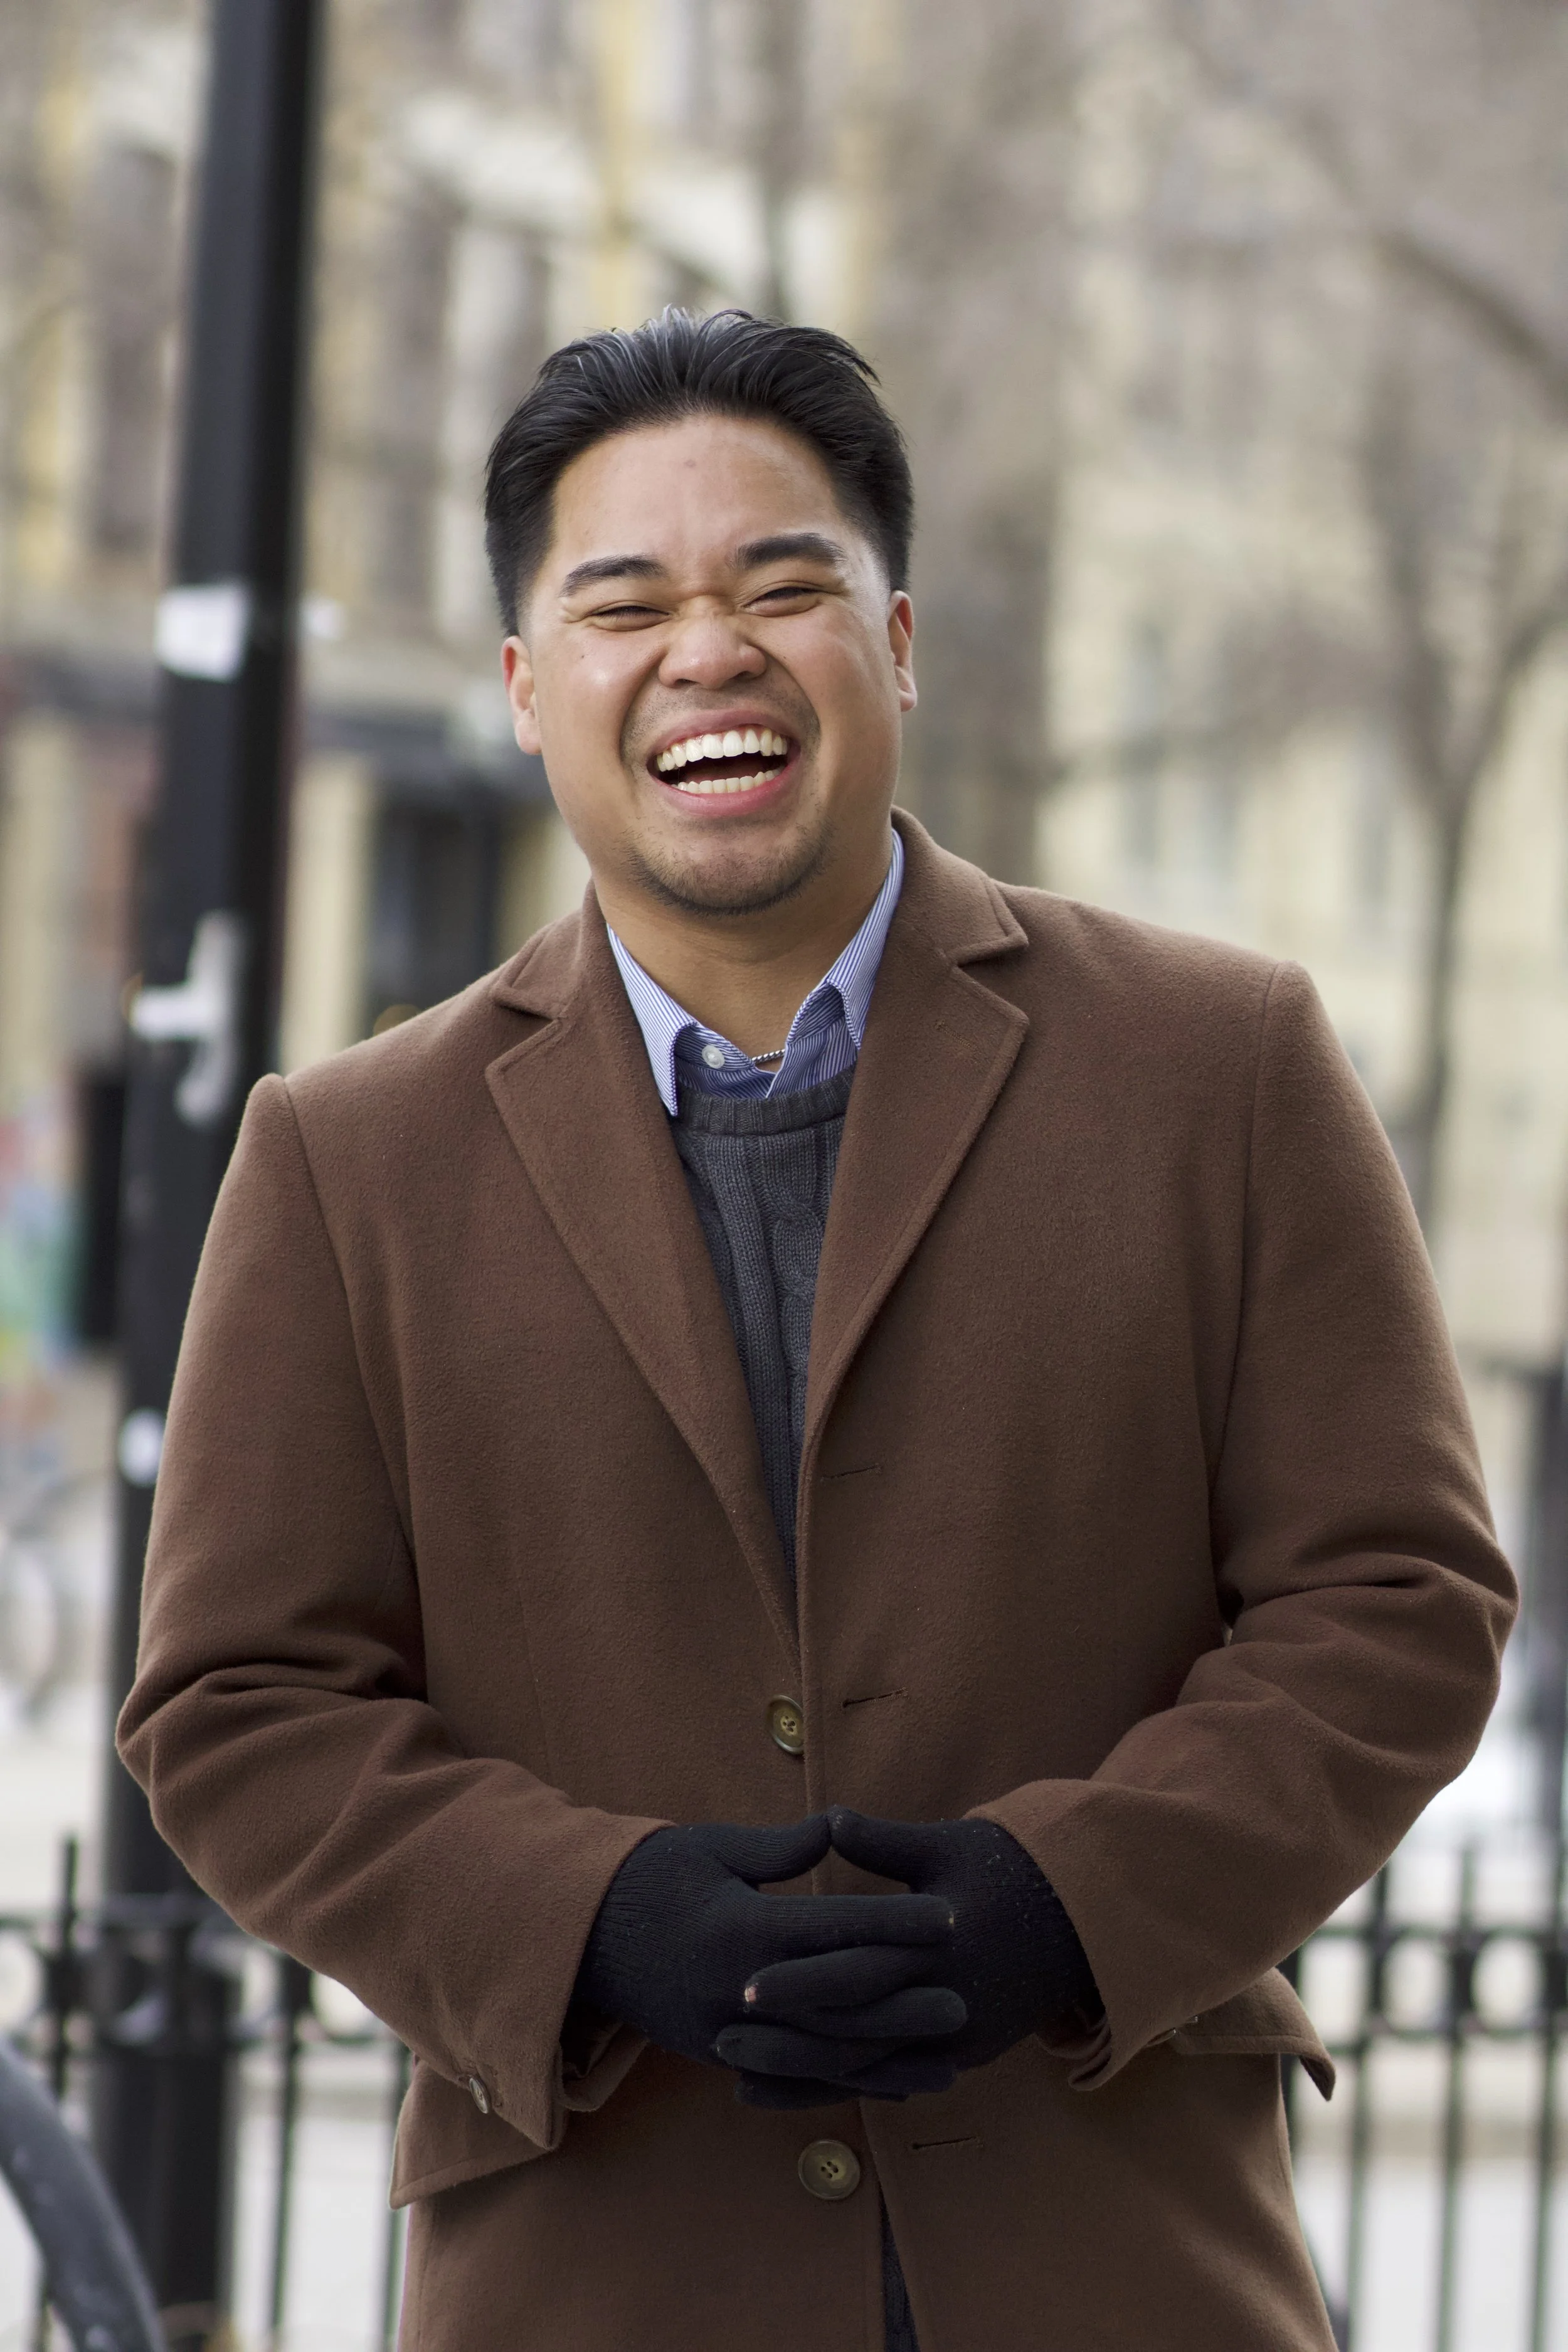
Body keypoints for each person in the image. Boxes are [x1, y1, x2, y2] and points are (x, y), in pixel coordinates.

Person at [119, 309, 1515, 2351]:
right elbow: (235, 1701)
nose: (709, 651)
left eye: (785, 585)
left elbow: (1394, 1597)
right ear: (525, 688)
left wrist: (1069, 1904)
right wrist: (592, 1921)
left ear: (900, 642)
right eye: (624, 605)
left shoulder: (1220, 1065)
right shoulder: (348, 1159)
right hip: (595, 2273)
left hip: (1116, 2262)